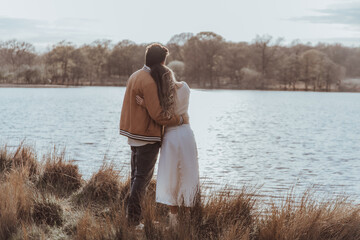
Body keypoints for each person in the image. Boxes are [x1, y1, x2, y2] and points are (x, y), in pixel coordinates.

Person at [119, 43, 188, 228]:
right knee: (141, 180)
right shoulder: (149, 80)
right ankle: (133, 221)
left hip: (134, 134)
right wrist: (180, 120)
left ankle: (131, 217)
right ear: (162, 61)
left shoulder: (135, 75)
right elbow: (159, 115)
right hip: (146, 136)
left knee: (136, 177)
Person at [136, 64, 199, 227]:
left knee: (171, 175)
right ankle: (188, 218)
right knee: (188, 173)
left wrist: (145, 104)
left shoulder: (160, 96)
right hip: (186, 134)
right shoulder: (185, 87)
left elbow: (158, 115)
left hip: (171, 136)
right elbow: (183, 112)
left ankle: (174, 219)